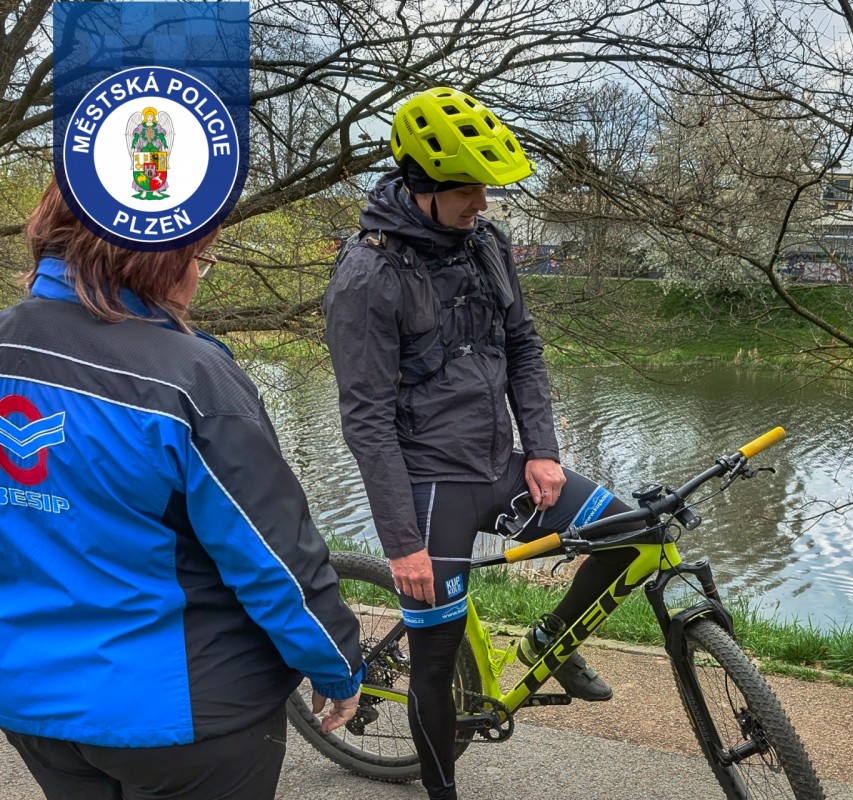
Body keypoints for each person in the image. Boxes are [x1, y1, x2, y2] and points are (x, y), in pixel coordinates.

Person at [0, 181, 364, 800]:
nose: (200, 280)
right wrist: (335, 662)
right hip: (186, 714)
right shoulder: (192, 379)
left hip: (31, 700)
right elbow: (272, 556)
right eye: (201, 258)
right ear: (158, 258)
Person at [324, 86, 639, 800]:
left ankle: (551, 645)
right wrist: (401, 541)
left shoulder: (486, 245)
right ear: (422, 184)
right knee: (434, 665)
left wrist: (542, 449)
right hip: (433, 490)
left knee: (623, 533)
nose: (485, 202)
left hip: (503, 463)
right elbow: (365, 417)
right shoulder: (366, 275)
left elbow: (522, 347)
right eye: (469, 188)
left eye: (486, 187)